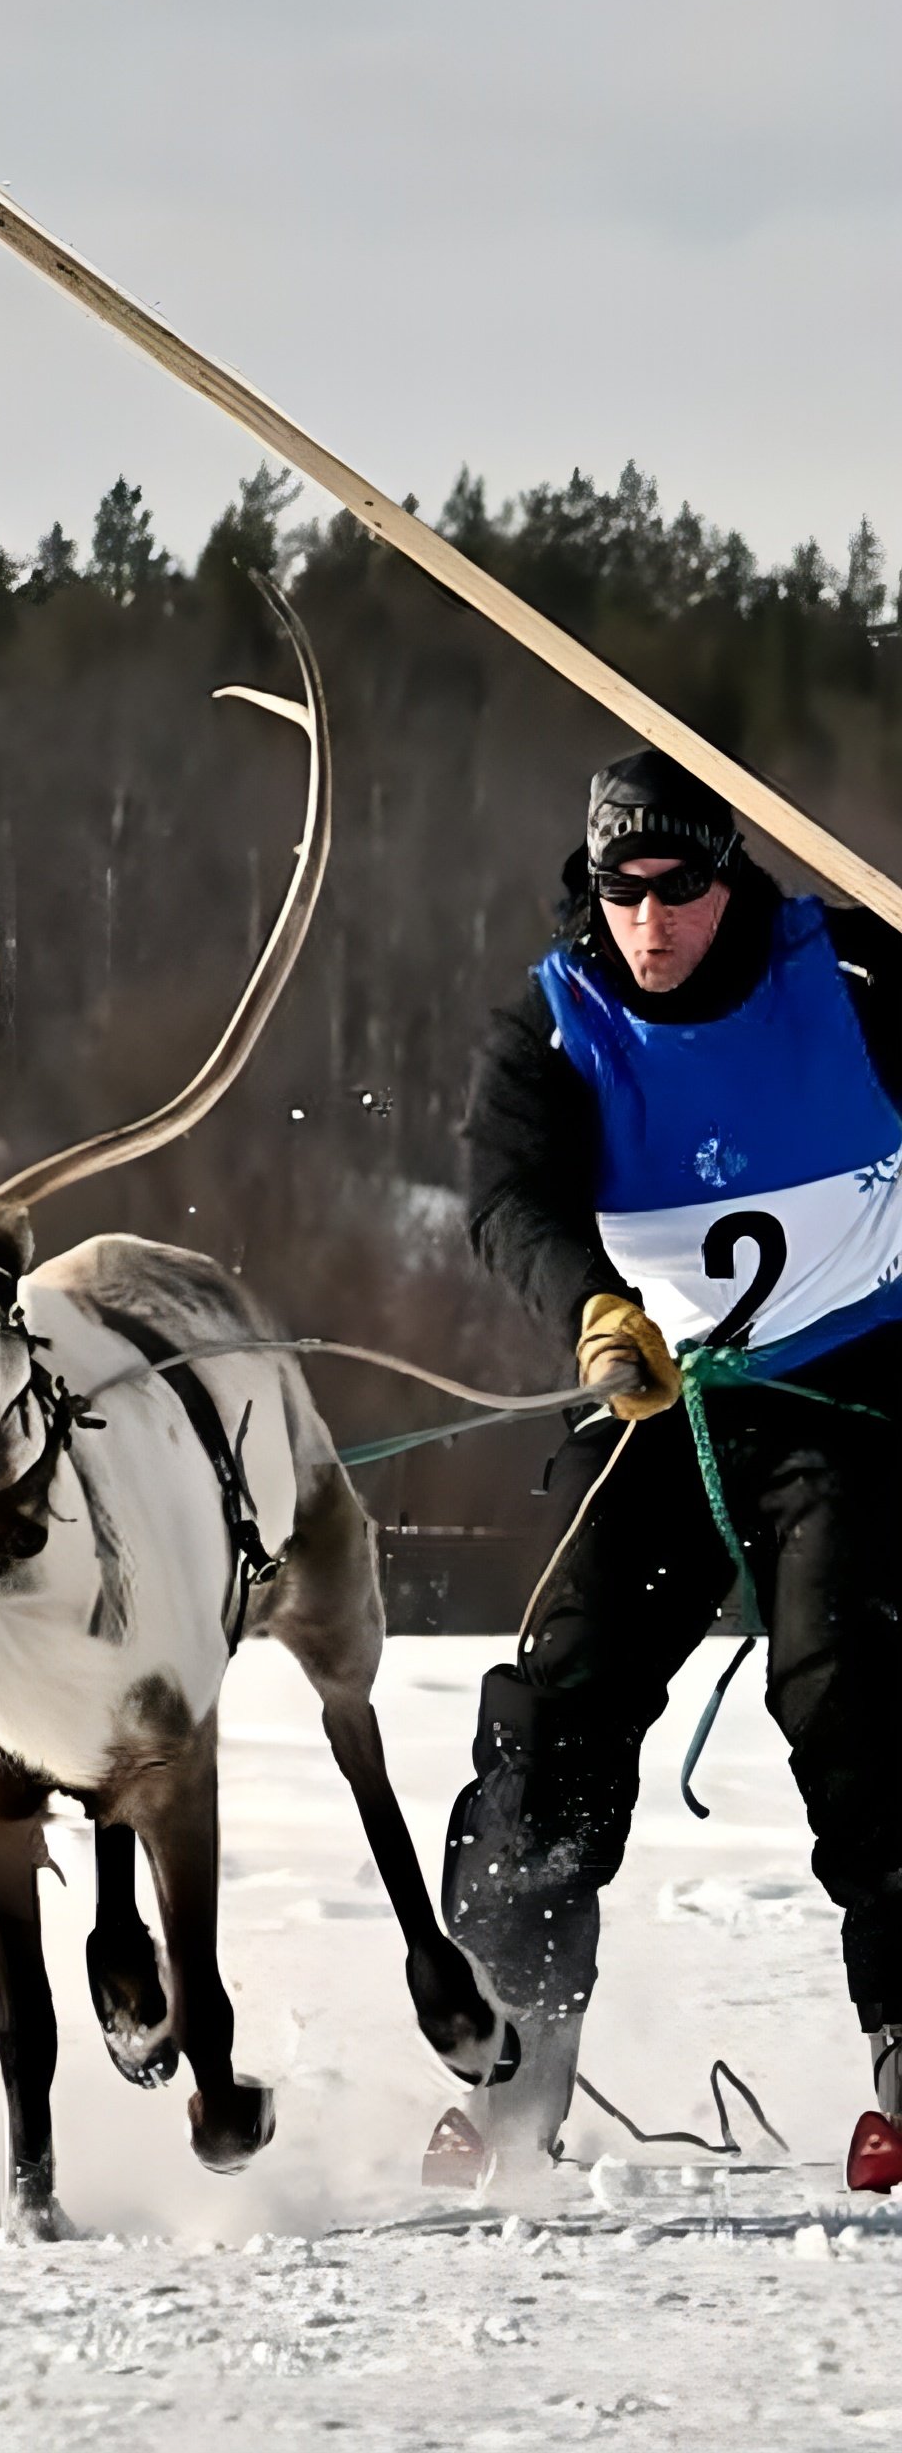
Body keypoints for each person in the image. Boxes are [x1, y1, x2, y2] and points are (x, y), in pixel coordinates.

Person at [443, 745, 902, 2188]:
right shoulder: (558, 1018)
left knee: (850, 1682)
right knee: (555, 1702)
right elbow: (504, 1191)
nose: (649, 920)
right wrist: (591, 1304)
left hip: (856, 1394)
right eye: (618, 890)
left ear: (730, 874)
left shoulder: (852, 973)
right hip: (660, 1399)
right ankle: (516, 2056)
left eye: (678, 887)